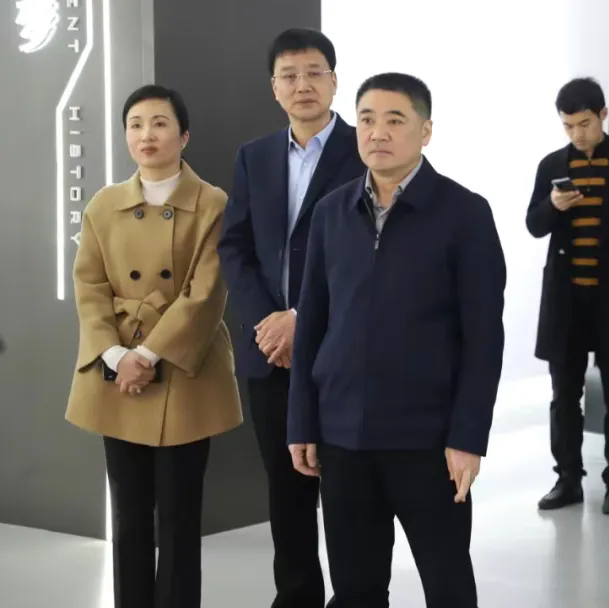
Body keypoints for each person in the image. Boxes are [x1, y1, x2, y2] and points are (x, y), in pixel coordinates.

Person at [287, 73, 506, 606]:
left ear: (425, 131)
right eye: (366, 119)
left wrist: (468, 437)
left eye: (394, 120)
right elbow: (311, 324)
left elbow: (484, 338)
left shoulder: (464, 213)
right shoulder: (330, 213)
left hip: (428, 441)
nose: (377, 133)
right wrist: (302, 423)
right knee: (355, 589)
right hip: (343, 438)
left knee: (448, 585)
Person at [66, 85, 243, 608]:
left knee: (180, 518)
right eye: (136, 124)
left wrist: (148, 355)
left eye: (160, 123)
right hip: (117, 373)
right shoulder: (103, 204)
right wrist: (116, 355)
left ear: (183, 136)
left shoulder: (212, 203)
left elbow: (206, 294)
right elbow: (89, 286)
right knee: (128, 516)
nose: (147, 134)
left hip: (185, 372)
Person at [217, 28, 364, 607]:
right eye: (289, 75)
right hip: (272, 354)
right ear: (273, 88)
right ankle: (297, 597)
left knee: (348, 492)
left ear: (334, 80)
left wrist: (304, 316)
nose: (302, 85)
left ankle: (354, 597)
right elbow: (235, 247)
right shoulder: (253, 157)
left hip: (343, 351)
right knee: (287, 491)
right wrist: (267, 322)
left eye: (314, 72)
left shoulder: (366, 149)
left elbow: (373, 254)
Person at [526, 77, 609, 514]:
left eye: (584, 123)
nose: (577, 134)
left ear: (603, 115)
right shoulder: (551, 165)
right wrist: (553, 206)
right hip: (566, 301)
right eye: (568, 126)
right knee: (564, 395)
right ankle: (567, 479)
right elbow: (533, 224)